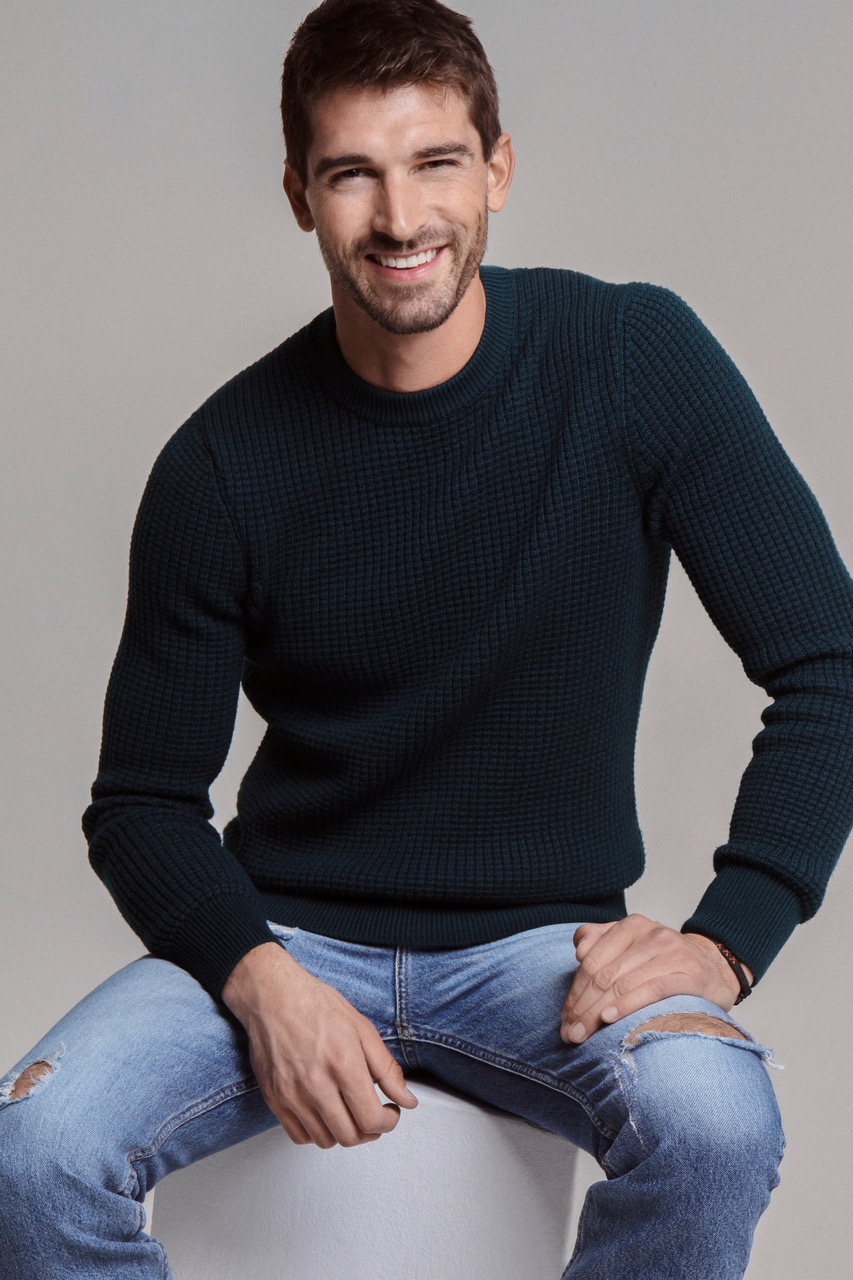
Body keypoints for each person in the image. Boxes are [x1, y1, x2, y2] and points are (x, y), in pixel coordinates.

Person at [2, 0, 852, 1275]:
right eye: (352, 172)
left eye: (435, 161)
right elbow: (141, 803)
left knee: (717, 1125)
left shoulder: (629, 361)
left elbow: (829, 661)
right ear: (298, 194)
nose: (400, 218)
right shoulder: (222, 461)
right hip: (290, 934)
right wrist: (260, 978)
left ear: (497, 167)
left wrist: (732, 934)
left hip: (544, 955)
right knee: (33, 1152)